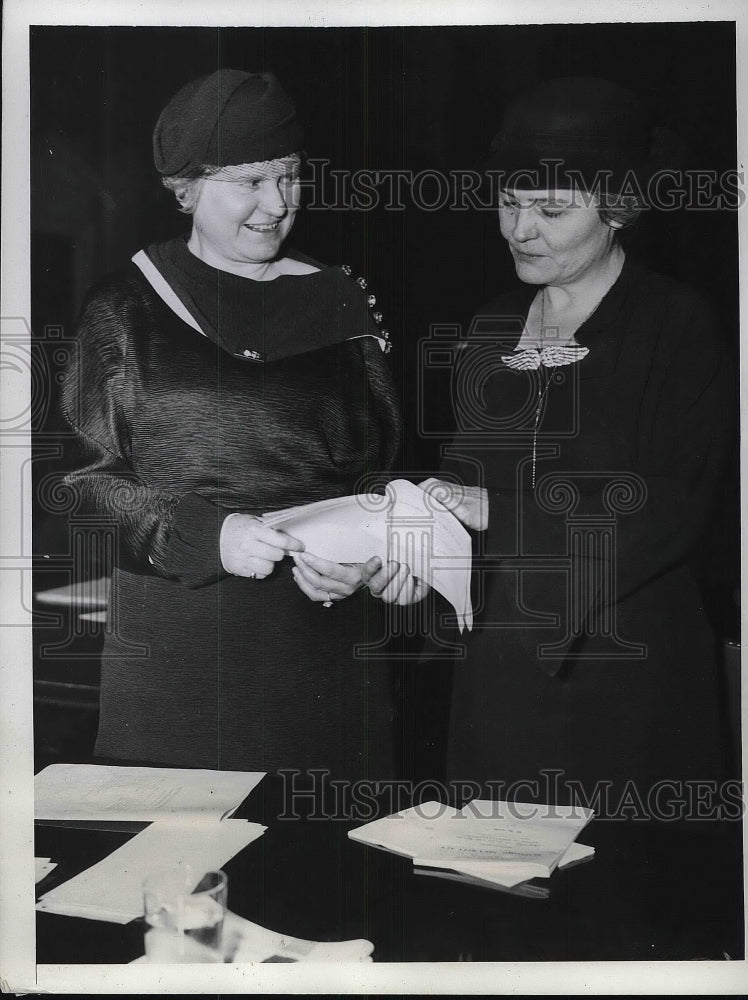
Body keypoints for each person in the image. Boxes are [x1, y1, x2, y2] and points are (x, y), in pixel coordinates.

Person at [61, 69, 420, 779]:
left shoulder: (343, 302)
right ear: (187, 188)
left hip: (325, 664)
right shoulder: (125, 309)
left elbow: (382, 473)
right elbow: (79, 486)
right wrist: (208, 535)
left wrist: (377, 557)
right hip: (179, 668)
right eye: (248, 182)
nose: (276, 204)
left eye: (289, 177)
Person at [426, 77, 735, 811]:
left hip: (628, 684)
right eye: (509, 203)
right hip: (498, 683)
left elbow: (674, 509)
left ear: (618, 209)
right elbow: (462, 484)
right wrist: (409, 540)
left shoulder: (679, 327)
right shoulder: (490, 329)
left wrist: (496, 512)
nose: (518, 230)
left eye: (552, 210)